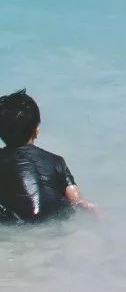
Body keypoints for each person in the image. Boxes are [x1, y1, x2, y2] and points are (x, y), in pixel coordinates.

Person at [0, 90, 96, 223]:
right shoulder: (57, 162)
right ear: (36, 130)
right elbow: (77, 201)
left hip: (16, 226)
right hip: (55, 222)